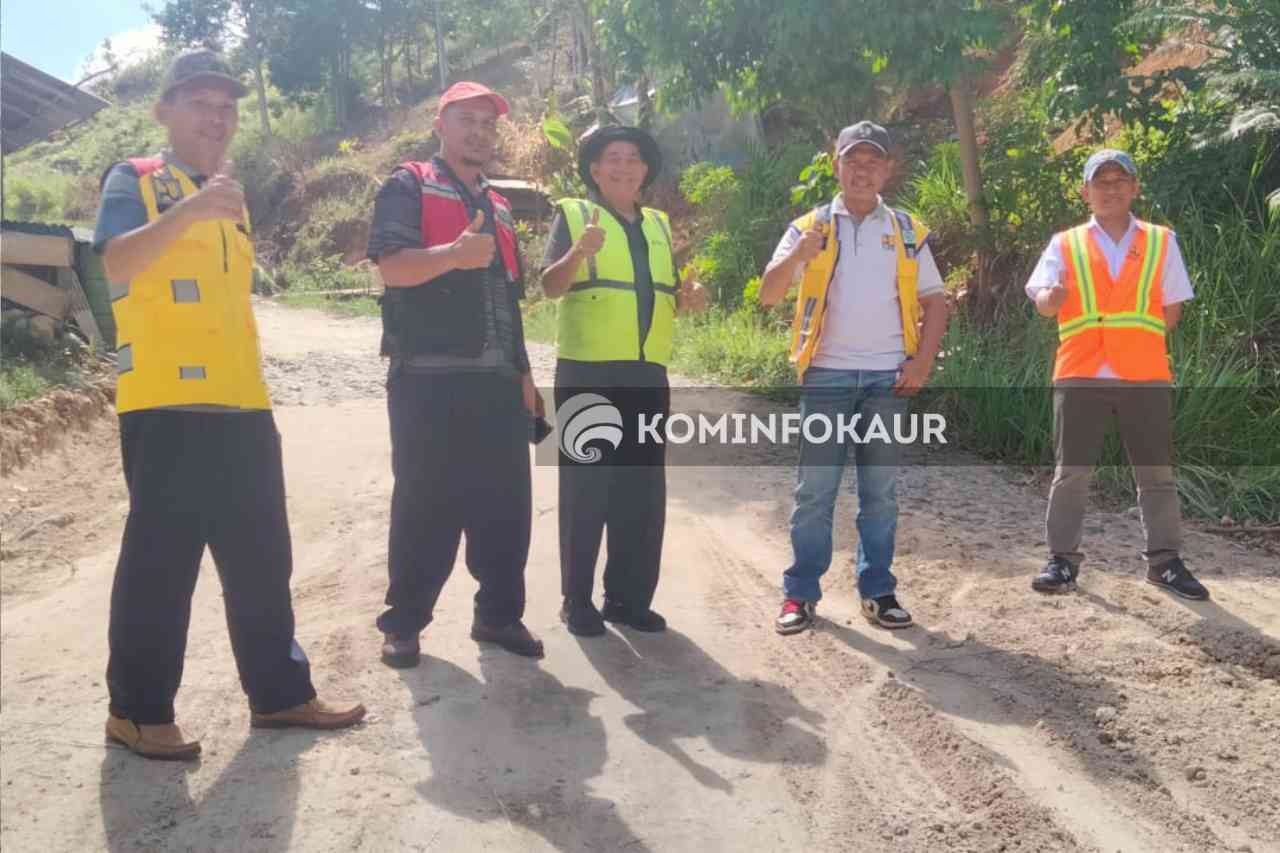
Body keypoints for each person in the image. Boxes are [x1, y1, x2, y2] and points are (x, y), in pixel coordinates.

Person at [96, 49, 366, 761]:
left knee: (261, 559)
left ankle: (279, 693)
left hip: (244, 407)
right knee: (162, 563)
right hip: (166, 406)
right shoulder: (136, 180)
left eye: (227, 107)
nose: (216, 118)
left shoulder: (229, 197)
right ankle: (137, 710)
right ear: (165, 110)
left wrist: (211, 203)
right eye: (199, 103)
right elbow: (116, 262)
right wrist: (192, 208)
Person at [369, 81, 545, 666]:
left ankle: (497, 617)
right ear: (441, 125)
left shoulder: (497, 204)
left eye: (487, 124)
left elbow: (506, 295)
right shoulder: (408, 185)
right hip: (428, 379)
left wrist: (522, 371)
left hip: (496, 382)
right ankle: (405, 623)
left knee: (505, 506)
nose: (479, 133)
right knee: (425, 505)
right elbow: (391, 268)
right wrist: (450, 256)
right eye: (467, 120)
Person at [758, 121, 949, 635]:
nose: (862, 169)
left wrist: (922, 362)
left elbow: (936, 300)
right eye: (852, 160)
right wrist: (799, 255)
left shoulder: (908, 230)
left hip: (888, 379)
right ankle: (800, 595)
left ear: (887, 168)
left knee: (880, 492)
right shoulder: (810, 227)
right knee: (815, 491)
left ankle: (878, 591)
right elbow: (769, 294)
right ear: (836, 165)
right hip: (826, 376)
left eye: (873, 161)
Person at [539, 124, 708, 637]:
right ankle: (577, 601)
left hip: (645, 373)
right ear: (594, 169)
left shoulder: (657, 224)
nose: (623, 166)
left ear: (645, 169)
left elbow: (666, 294)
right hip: (587, 370)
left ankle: (628, 598)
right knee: (586, 488)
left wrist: (689, 298)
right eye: (612, 158)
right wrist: (578, 252)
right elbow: (548, 286)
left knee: (641, 489)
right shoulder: (572, 216)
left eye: (633, 158)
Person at [1025, 149, 1208, 600]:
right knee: (1072, 472)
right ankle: (1061, 561)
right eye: (1100, 181)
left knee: (1156, 473)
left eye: (1119, 180)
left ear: (1134, 187)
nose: (1110, 188)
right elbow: (1043, 302)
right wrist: (1053, 296)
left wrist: (1132, 344)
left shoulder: (1162, 241)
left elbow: (1172, 309)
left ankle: (1165, 562)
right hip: (1080, 371)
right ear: (1085, 192)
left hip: (1143, 373)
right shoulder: (1064, 243)